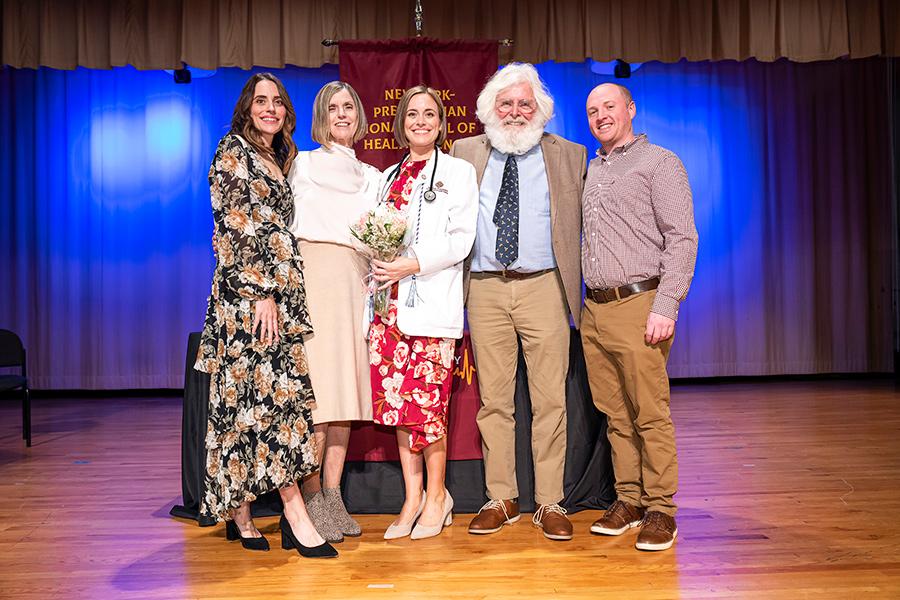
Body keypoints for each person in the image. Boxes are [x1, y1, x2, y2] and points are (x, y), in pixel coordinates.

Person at [194, 72, 337, 558]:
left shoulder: (278, 156)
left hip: (279, 297)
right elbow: (233, 226)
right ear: (246, 107)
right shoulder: (232, 151)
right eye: (261, 100)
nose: (270, 108)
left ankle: (241, 512)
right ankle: (294, 513)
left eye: (277, 101)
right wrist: (261, 293)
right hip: (250, 300)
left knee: (251, 403)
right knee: (269, 403)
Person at [450, 63, 586, 541]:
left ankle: (550, 501)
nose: (514, 112)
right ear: (490, 109)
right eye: (505, 103)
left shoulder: (571, 155)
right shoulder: (464, 152)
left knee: (550, 399)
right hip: (484, 287)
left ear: (540, 111)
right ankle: (502, 497)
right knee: (494, 401)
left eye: (524, 104)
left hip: (545, 285)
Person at [580, 83, 698, 551]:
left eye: (609, 106)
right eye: (592, 110)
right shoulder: (590, 169)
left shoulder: (660, 163)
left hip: (640, 304)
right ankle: (628, 499)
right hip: (595, 309)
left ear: (630, 109)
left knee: (650, 412)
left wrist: (667, 304)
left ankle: (661, 509)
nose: (601, 115)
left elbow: (682, 239)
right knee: (615, 414)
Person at [368, 85, 478, 540]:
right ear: (401, 121)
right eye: (412, 114)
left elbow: (460, 240)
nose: (420, 121)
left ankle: (438, 495)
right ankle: (412, 497)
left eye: (429, 113)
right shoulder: (386, 175)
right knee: (398, 405)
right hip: (386, 310)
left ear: (441, 122)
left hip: (431, 302)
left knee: (428, 407)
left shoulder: (458, 171)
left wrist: (411, 263)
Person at [287, 81, 380, 543]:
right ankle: (305, 501)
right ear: (320, 116)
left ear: (359, 116)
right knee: (319, 399)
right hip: (314, 278)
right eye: (332, 108)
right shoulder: (301, 163)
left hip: (356, 282)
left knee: (344, 396)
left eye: (349, 106)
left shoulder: (372, 175)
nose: (341, 114)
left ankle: (331, 495)